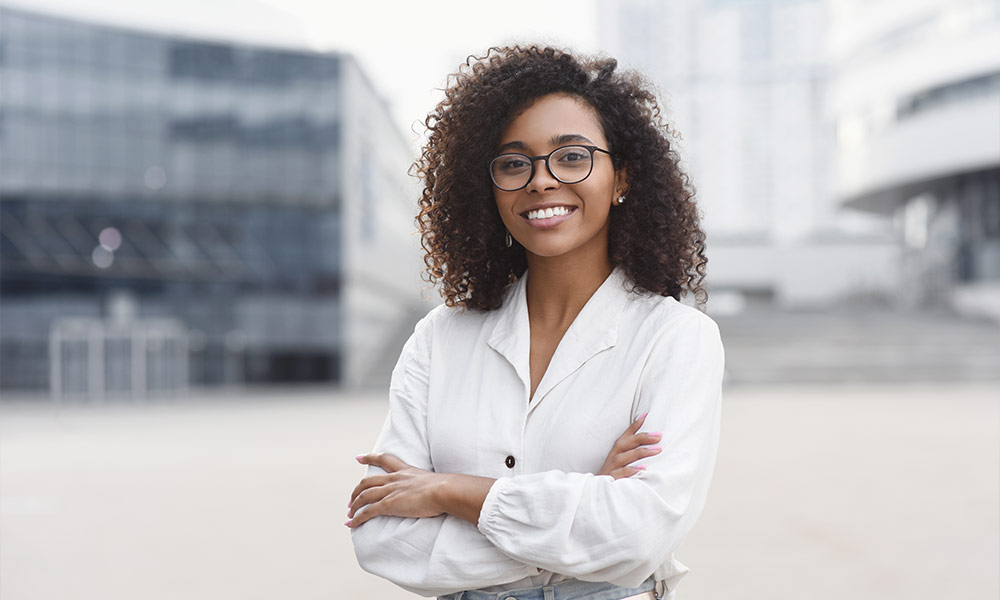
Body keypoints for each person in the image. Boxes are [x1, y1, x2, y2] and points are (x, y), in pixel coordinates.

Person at [347, 45, 725, 600]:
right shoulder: (439, 339)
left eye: (572, 156)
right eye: (513, 162)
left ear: (621, 178)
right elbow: (382, 537)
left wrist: (451, 492)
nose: (541, 181)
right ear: (489, 187)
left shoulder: (675, 338)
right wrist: (585, 505)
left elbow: (639, 534)